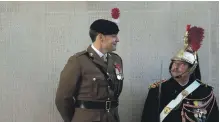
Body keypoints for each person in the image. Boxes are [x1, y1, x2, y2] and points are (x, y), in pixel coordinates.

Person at [141, 25, 219, 122]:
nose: (175, 67)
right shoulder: (157, 91)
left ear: (191, 68)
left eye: (182, 64)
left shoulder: (205, 93)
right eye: (174, 62)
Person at [55, 18, 124, 122]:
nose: (117, 40)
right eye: (113, 36)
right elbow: (62, 98)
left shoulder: (116, 60)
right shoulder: (78, 61)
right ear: (101, 37)